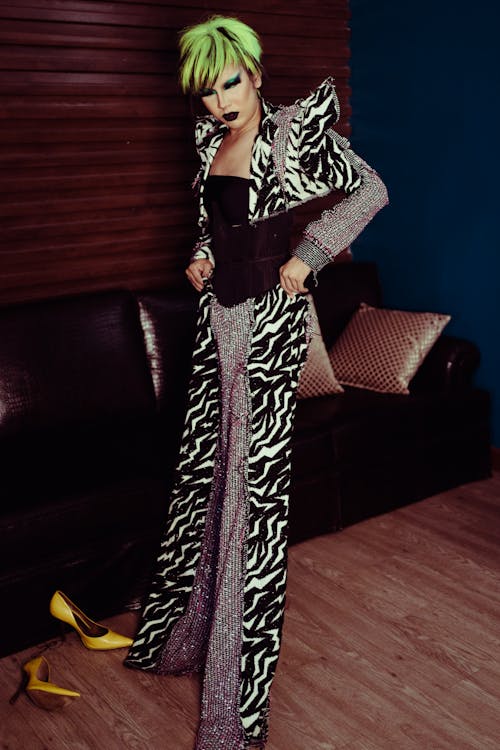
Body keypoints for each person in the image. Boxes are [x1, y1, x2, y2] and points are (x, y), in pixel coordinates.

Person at [124, 15, 388, 750]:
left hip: (269, 330)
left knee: (253, 502)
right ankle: (187, 637)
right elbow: (220, 222)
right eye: (205, 91)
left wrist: (311, 255)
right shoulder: (211, 140)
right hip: (217, 324)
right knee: (206, 483)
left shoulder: (287, 136)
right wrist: (200, 256)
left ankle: (234, 703)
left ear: (257, 74)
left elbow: (369, 189)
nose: (218, 102)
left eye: (229, 83)